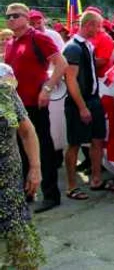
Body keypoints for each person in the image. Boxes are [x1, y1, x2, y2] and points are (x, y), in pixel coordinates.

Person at [4, 3, 67, 213]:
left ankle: (51, 195)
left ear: (26, 17)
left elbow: (62, 64)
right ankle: (27, 191)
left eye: (15, 16)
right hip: (16, 105)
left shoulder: (38, 37)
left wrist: (47, 89)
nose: (10, 19)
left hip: (34, 103)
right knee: (21, 151)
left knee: (44, 149)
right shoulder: (11, 42)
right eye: (8, 16)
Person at [63, 11, 114, 201]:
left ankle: (95, 179)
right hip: (81, 102)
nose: (100, 30)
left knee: (97, 139)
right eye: (98, 26)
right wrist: (81, 107)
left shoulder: (87, 45)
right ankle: (71, 187)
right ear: (89, 25)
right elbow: (71, 80)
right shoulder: (73, 48)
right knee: (75, 143)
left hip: (93, 99)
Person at [0, 63, 45, 269]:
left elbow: (27, 132)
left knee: (21, 248)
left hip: (9, 188)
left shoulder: (4, 90)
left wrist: (35, 168)